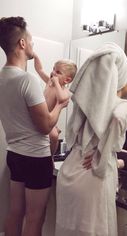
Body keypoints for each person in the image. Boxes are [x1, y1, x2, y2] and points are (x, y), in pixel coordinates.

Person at [55, 42, 127, 236]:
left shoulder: (86, 105)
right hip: (93, 176)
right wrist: (102, 154)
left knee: (69, 229)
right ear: (120, 77)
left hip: (70, 169)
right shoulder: (124, 105)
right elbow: (116, 118)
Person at [0, 16, 68, 236]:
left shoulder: (2, 78)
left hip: (15, 154)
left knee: (15, 212)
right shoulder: (26, 80)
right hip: (35, 158)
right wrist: (60, 104)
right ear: (21, 43)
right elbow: (45, 126)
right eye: (30, 41)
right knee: (35, 217)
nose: (32, 45)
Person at [33, 53, 77, 155]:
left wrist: (56, 83)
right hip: (40, 114)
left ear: (67, 80)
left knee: (54, 136)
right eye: (53, 69)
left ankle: (51, 156)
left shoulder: (65, 91)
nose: (53, 73)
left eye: (58, 72)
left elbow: (61, 98)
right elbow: (39, 70)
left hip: (50, 119)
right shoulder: (49, 82)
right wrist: (35, 56)